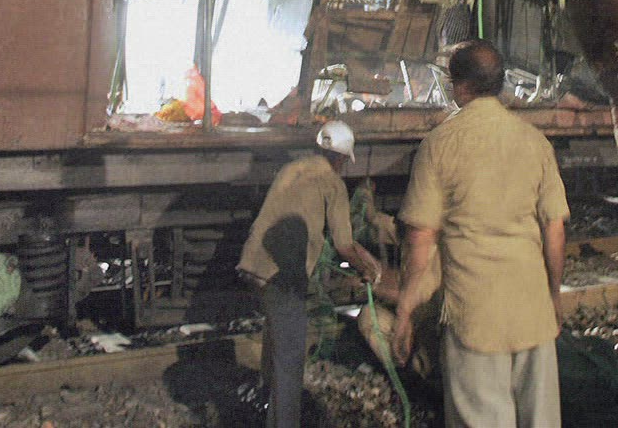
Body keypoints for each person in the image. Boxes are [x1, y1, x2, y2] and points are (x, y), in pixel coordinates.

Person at [392, 39, 570, 427]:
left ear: (460, 86)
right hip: (532, 310)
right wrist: (554, 295)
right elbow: (554, 229)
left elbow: (421, 239)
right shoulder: (535, 142)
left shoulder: (439, 144)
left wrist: (405, 312)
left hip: (475, 314)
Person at [238, 119, 384, 428]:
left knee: (276, 335)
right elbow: (344, 245)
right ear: (342, 158)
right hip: (282, 275)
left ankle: (264, 398)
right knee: (291, 357)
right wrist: (369, 269)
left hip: (252, 265)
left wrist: (364, 259)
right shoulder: (333, 183)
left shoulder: (291, 169)